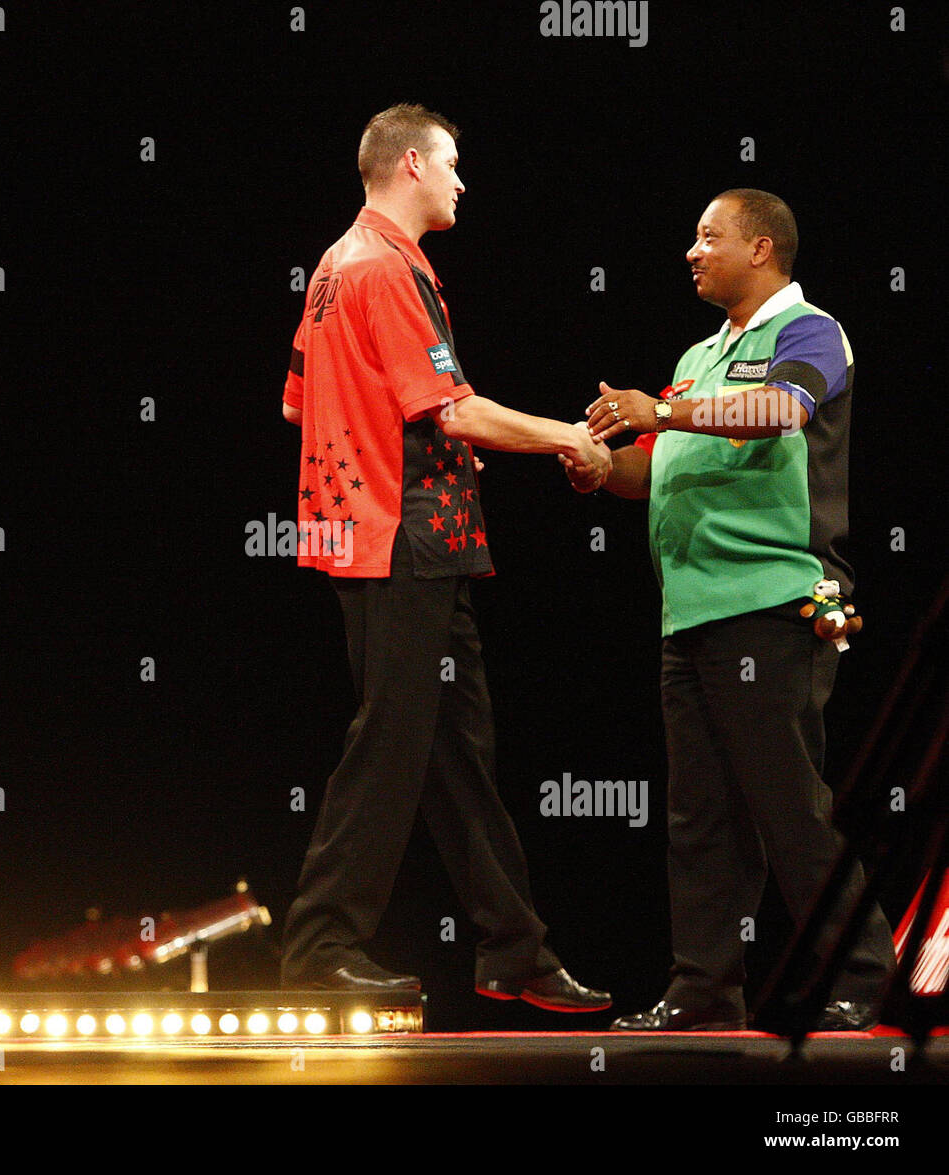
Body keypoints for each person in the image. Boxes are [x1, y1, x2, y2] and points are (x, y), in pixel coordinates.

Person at [278, 103, 611, 1011]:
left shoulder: (335, 267)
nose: (464, 183)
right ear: (413, 165)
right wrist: (569, 438)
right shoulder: (381, 267)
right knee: (392, 739)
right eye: (455, 166)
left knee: (456, 751)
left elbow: (299, 405)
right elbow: (452, 409)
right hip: (399, 537)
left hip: (391, 534)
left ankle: (512, 947)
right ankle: (318, 942)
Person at [564, 189, 895, 1031]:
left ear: (761, 248)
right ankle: (705, 986)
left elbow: (780, 410)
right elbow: (659, 464)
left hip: (774, 601)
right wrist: (603, 468)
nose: (691, 249)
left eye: (708, 236)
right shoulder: (700, 354)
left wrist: (661, 410)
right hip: (692, 611)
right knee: (699, 817)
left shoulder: (809, 330)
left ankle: (866, 974)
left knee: (789, 805)